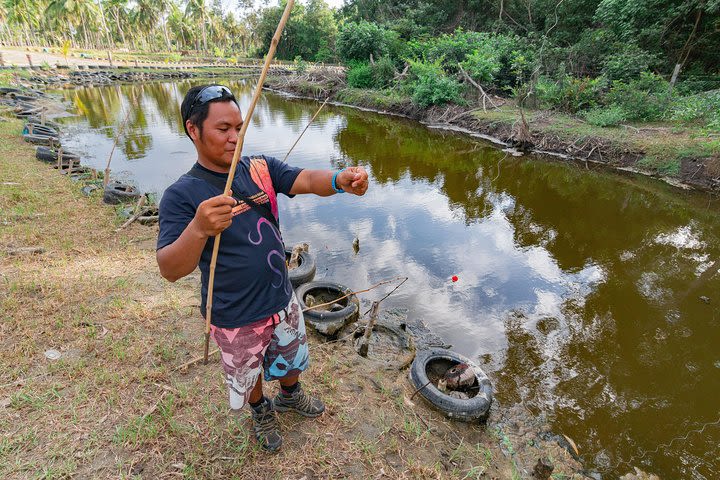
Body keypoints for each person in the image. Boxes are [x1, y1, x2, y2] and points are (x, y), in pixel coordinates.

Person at [156, 85, 369, 452]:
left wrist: (340, 181)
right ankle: (260, 408)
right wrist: (199, 228)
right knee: (249, 370)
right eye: (223, 129)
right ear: (194, 130)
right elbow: (170, 268)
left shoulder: (260, 168)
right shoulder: (183, 194)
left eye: (239, 127)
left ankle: (290, 394)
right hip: (233, 311)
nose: (234, 138)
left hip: (281, 297)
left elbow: (303, 179)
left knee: (291, 355)